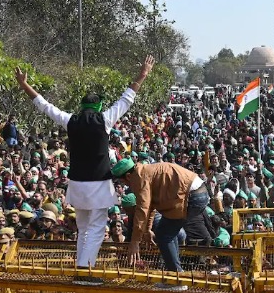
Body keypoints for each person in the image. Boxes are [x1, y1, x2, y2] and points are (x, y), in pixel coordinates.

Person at [14, 55, 155, 286]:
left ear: (82, 106)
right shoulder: (105, 119)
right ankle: (84, 271)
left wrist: (24, 85)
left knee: (82, 228)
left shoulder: (71, 120)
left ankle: (82, 268)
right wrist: (142, 74)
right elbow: (127, 98)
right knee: (97, 229)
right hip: (98, 185)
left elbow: (44, 105)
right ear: (98, 106)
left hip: (77, 185)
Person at [111, 158, 209, 291]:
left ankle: (177, 278)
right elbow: (150, 205)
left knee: (164, 235)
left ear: (128, 176)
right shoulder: (144, 172)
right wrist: (147, 230)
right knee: (166, 233)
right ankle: (176, 275)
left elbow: (143, 209)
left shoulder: (139, 177)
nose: (125, 185)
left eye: (123, 182)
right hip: (197, 193)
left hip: (192, 195)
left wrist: (135, 242)